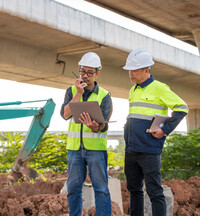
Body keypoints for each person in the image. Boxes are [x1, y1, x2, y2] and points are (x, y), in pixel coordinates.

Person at [122, 49, 188, 216]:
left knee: (154, 192)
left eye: (134, 70)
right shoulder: (133, 90)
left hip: (149, 149)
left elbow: (182, 108)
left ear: (147, 70)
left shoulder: (159, 88)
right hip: (131, 149)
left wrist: (164, 130)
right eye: (129, 70)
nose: (131, 74)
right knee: (134, 190)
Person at [61, 52, 112, 216]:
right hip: (75, 149)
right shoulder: (71, 91)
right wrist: (78, 93)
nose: (86, 76)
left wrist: (95, 126)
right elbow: (65, 114)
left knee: (102, 189)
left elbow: (104, 124)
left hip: (96, 149)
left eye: (90, 72)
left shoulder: (104, 95)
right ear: (79, 70)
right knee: (73, 189)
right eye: (83, 71)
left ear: (97, 73)